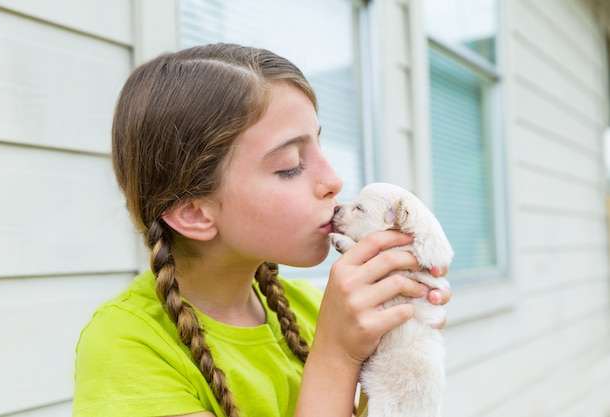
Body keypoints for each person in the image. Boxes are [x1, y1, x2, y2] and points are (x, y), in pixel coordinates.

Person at [72, 43, 450, 417]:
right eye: (290, 165)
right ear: (193, 213)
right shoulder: (125, 347)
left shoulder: (317, 308)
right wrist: (336, 354)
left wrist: (397, 341)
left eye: (320, 143)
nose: (334, 180)